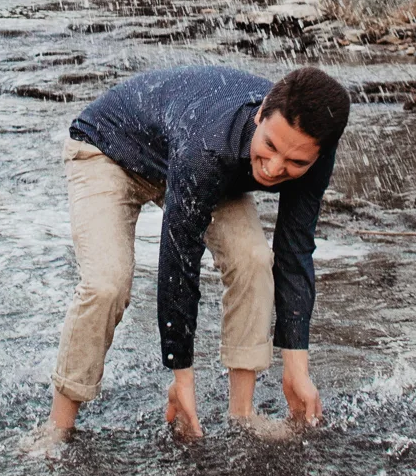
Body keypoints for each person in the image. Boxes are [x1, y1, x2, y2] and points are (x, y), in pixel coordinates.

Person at [37, 64, 351, 449]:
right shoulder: (209, 144)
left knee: (253, 257)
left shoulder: (316, 147)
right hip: (107, 151)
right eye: (269, 146)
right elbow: (179, 260)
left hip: (191, 161)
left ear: (318, 154)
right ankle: (57, 427)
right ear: (260, 113)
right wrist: (181, 377)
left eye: (296, 163)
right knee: (107, 284)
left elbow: (295, 249)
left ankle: (243, 415)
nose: (273, 169)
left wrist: (296, 367)